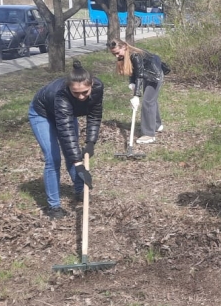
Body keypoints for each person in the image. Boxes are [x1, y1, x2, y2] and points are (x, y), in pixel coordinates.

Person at [28, 60, 103, 220]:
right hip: (42, 114)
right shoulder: (60, 94)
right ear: (69, 88)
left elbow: (94, 115)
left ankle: (79, 191)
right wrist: (80, 166)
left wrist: (90, 142)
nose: (81, 96)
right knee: (53, 158)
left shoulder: (98, 88)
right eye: (76, 93)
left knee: (72, 154)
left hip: (66, 115)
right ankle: (54, 207)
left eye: (85, 92)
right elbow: (66, 130)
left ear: (92, 85)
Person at [107, 38, 166, 144]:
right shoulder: (127, 54)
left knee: (147, 102)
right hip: (148, 75)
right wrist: (132, 82)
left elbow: (139, 75)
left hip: (155, 76)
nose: (116, 56)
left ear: (124, 46)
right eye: (113, 54)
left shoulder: (135, 55)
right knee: (151, 100)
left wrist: (136, 95)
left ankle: (149, 134)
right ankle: (157, 125)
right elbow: (132, 70)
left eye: (117, 53)